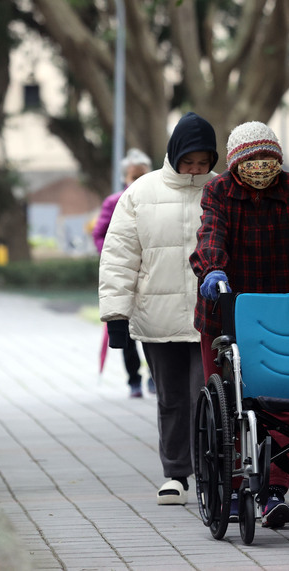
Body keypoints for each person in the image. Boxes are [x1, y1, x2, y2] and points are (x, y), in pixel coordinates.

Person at [189, 121, 289, 529]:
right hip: (228, 309)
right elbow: (212, 236)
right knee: (231, 406)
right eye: (251, 160)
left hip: (285, 315)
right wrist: (212, 270)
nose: (260, 167)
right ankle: (229, 487)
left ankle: (274, 491)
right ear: (234, 163)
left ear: (279, 160)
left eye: (268, 159)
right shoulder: (219, 191)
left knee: (281, 404)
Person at [99, 112, 218, 506]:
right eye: (189, 162)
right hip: (158, 317)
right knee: (170, 398)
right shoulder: (141, 193)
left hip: (212, 319)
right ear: (174, 155)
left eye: (203, 162)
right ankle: (176, 475)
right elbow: (119, 257)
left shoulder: (222, 190)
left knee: (209, 395)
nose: (196, 170)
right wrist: (116, 317)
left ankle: (211, 471)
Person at [93, 149, 155, 398]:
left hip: (151, 276)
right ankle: (134, 380)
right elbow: (99, 235)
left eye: (143, 175)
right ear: (124, 178)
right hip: (125, 276)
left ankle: (154, 377)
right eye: (133, 176)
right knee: (125, 332)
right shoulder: (114, 202)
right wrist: (112, 259)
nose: (139, 180)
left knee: (154, 329)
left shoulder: (156, 200)